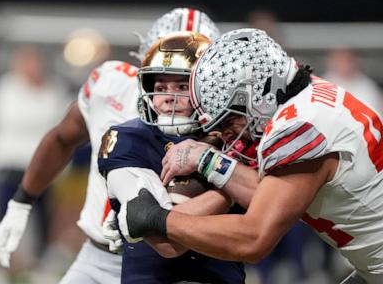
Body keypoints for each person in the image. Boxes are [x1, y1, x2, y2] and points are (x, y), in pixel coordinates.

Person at [122, 28, 383, 284]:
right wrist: (208, 160)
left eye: (230, 121)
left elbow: (253, 239)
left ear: (260, 96)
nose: (225, 136)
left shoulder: (300, 129)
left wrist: (157, 219)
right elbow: (271, 192)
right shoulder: (307, 94)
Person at [0, 8, 221, 284]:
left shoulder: (226, 123)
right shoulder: (112, 85)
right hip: (96, 255)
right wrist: (22, 201)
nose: (171, 93)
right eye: (163, 74)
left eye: (186, 77)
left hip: (177, 266)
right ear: (144, 63)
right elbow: (62, 137)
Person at [98, 31, 246, 284]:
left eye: (181, 86)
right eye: (160, 88)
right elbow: (165, 241)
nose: (169, 97)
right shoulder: (128, 138)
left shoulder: (236, 135)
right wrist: (228, 189)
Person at [0, 45, 71, 273]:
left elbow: (62, 130)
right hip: (11, 165)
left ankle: (38, 261)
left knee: (41, 216)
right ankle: (4, 257)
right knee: (5, 211)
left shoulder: (54, 90)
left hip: (42, 167)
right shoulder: (7, 89)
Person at [322, 47, 383, 114]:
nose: (345, 65)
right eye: (340, 60)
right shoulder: (319, 84)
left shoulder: (369, 88)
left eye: (348, 60)